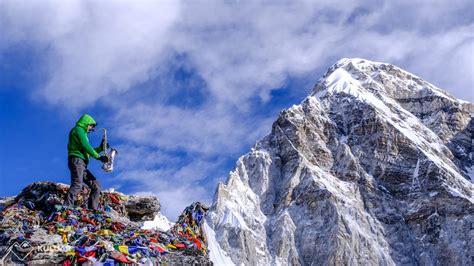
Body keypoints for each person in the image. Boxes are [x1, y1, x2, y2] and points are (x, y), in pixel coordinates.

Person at [64, 114, 108, 210]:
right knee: (77, 184)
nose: (91, 129)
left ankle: (93, 209)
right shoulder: (77, 130)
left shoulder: (83, 133)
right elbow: (85, 145)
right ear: (86, 123)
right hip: (76, 160)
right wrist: (99, 157)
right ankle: (66, 206)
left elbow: (87, 150)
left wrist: (101, 148)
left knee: (96, 185)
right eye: (91, 126)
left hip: (82, 164)